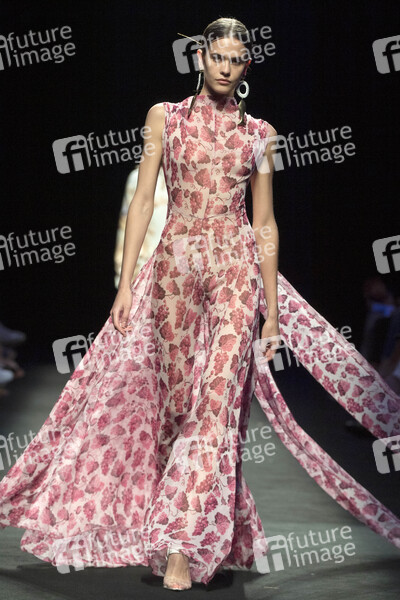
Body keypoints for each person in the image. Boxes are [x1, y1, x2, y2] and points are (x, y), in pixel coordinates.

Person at [0, 16, 399, 593]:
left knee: (215, 410)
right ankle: (191, 532)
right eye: (217, 57)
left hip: (235, 273)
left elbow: (265, 223)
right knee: (176, 410)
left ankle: (183, 549)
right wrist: (126, 285)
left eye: (236, 59)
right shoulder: (164, 118)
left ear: (246, 65)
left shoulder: (261, 134)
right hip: (173, 273)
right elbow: (142, 201)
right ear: (200, 58)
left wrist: (272, 310)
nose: (226, 67)